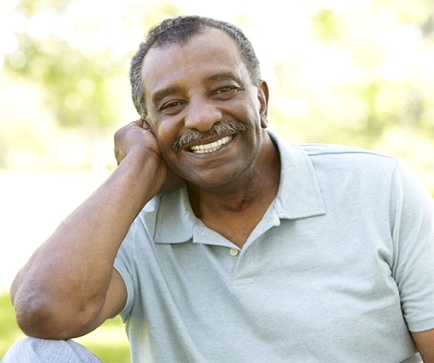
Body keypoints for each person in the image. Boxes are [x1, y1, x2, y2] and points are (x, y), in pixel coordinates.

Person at [2, 15, 434, 363]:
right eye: (172, 105)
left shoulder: (379, 188)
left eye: (223, 90)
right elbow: (43, 311)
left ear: (261, 102)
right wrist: (137, 168)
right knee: (35, 355)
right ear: (147, 127)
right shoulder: (131, 219)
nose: (202, 119)